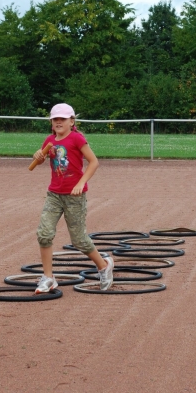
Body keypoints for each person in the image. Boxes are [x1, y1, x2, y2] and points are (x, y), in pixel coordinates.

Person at [32, 103, 113, 294]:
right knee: (44, 234)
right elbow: (40, 159)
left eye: (62, 119)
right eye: (55, 119)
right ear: (51, 122)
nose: (58, 122)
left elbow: (94, 162)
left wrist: (80, 183)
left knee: (79, 240)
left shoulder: (77, 139)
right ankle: (48, 277)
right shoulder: (49, 140)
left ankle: (103, 266)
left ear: (72, 121)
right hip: (54, 194)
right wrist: (38, 156)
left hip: (74, 197)